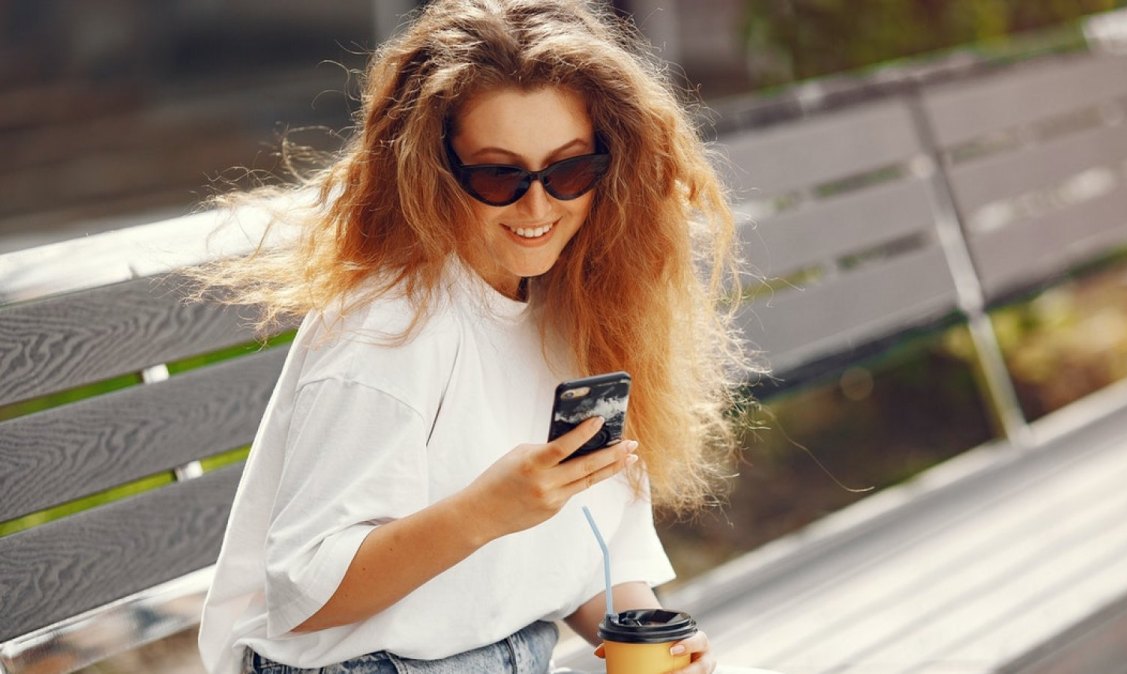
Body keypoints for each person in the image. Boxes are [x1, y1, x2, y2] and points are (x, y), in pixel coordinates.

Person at [195, 1, 752, 672]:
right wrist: (485, 513)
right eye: (499, 176)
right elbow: (304, 592)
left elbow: (594, 550)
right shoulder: (386, 330)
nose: (538, 207)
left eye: (570, 170)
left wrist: (645, 637)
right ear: (434, 172)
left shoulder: (582, 305)